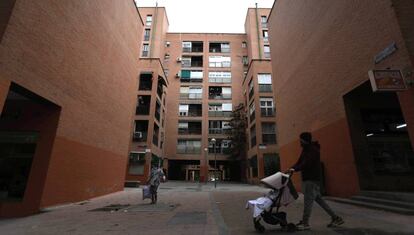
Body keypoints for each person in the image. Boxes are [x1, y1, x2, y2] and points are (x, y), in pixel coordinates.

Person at [289, 132, 344, 230]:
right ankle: (336, 218)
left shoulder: (313, 150)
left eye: (301, 140)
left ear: (305, 140)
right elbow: (299, 161)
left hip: (311, 179)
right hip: (309, 179)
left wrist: (295, 169)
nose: (299, 142)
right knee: (320, 200)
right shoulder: (305, 150)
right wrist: (291, 168)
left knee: (307, 202)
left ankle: (305, 223)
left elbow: (307, 163)